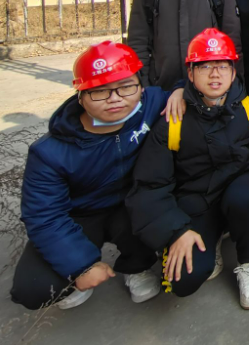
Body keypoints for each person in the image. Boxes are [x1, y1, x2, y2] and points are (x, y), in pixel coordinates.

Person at [10, 42, 184, 310]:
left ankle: (135, 267)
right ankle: (75, 278)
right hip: (80, 215)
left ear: (139, 85)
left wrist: (179, 91)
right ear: (80, 96)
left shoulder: (150, 105)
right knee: (34, 288)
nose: (115, 98)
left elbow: (187, 88)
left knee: (149, 213)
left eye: (126, 86)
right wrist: (80, 266)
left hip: (131, 205)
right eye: (100, 91)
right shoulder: (49, 152)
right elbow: (43, 215)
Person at [127, 29, 249, 308]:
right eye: (205, 66)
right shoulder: (173, 119)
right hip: (194, 203)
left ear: (233, 70)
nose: (215, 74)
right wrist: (175, 230)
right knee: (182, 282)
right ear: (190, 74)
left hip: (237, 192)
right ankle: (211, 236)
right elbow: (150, 185)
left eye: (222, 66)